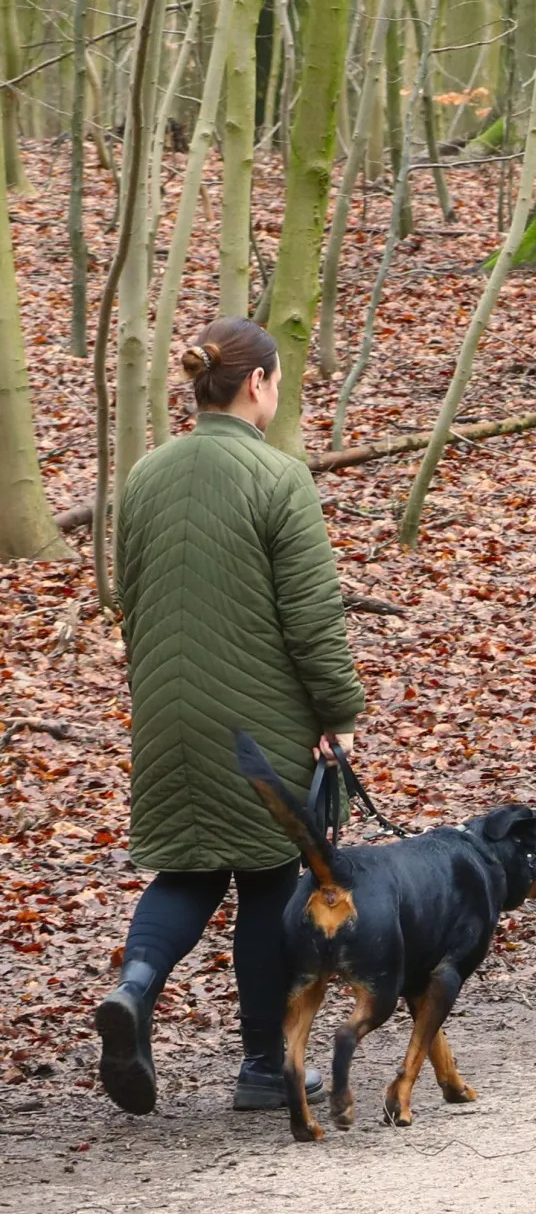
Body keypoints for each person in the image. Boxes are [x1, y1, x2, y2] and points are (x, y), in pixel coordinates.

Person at [94, 317, 367, 1114]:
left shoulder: (144, 474)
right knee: (269, 877)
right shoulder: (279, 477)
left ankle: (136, 990)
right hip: (261, 726)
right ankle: (260, 1066)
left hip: (168, 715)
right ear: (257, 384)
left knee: (187, 868)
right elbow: (312, 618)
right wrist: (339, 711)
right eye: (277, 381)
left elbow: (129, 597)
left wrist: (158, 697)